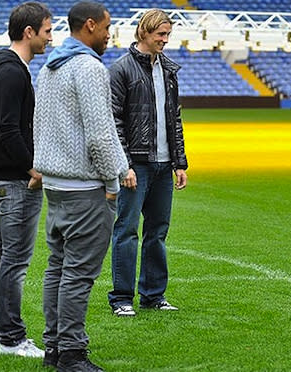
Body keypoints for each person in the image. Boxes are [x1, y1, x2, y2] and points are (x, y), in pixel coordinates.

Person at [33, 2, 128, 370]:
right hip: (83, 187)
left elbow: (39, 125)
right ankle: (72, 353)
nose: (108, 34)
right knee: (77, 274)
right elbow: (100, 135)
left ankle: (54, 347)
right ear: (89, 26)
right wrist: (112, 180)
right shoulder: (88, 67)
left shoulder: (51, 66)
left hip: (54, 185)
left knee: (57, 269)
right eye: (106, 27)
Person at [0, 1, 52, 358]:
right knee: (15, 261)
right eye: (47, 31)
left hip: (7, 179)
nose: (49, 39)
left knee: (4, 255)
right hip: (15, 182)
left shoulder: (6, 69)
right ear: (29, 32)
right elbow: (8, 129)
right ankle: (12, 339)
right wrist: (31, 168)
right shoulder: (10, 72)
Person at [107, 8, 188, 317]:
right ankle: (122, 298)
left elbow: (175, 119)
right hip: (136, 165)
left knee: (158, 231)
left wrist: (180, 162)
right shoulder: (121, 70)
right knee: (126, 230)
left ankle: (153, 295)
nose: (165, 41)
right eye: (160, 35)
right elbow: (115, 122)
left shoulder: (168, 70)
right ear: (144, 33)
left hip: (164, 165)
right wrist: (124, 164)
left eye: (167, 35)